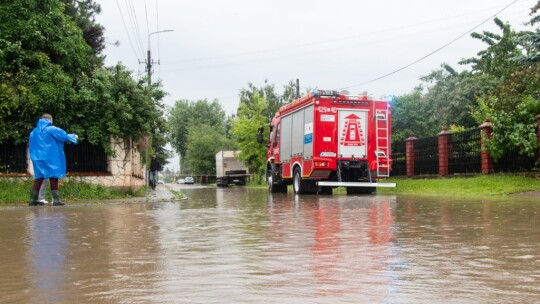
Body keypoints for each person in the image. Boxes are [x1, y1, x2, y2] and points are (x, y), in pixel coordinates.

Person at [29, 113, 78, 206]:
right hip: (50, 156)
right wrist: (73, 136)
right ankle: (56, 200)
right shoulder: (51, 129)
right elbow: (63, 136)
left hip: (37, 157)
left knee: (39, 177)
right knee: (54, 176)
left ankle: (33, 200)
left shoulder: (34, 131)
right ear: (50, 120)